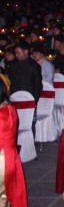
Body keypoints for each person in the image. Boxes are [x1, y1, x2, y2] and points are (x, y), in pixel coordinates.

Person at [0, 78, 27, 207]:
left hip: (2, 160)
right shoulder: (10, 109)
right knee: (5, 195)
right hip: (11, 158)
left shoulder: (1, 115)